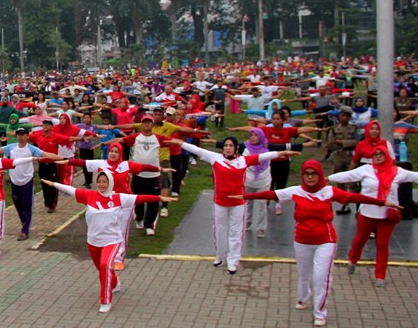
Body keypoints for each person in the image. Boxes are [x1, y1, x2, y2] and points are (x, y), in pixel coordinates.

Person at [232, 160, 397, 327]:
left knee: (321, 277)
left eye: (314, 174)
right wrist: (245, 196)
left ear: (319, 175)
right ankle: (303, 297)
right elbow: (271, 195)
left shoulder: (329, 191)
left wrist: (382, 202)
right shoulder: (296, 191)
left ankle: (320, 312)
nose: (310, 177)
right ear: (303, 175)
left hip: (326, 241)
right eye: (307, 174)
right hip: (302, 240)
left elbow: (353, 197)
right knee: (304, 274)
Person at [42, 171, 177, 313]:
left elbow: (140, 198)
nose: (101, 184)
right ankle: (114, 282)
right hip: (93, 241)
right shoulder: (90, 195)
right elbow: (71, 190)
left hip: (112, 240)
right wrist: (54, 184)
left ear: (110, 183)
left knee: (105, 264)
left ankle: (105, 301)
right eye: (99, 181)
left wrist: (159, 197)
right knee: (102, 269)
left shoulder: (119, 198)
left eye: (104, 182)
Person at [167, 137, 298, 274]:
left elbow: (262, 156)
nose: (228, 148)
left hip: (238, 203)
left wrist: (281, 153)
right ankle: (220, 256)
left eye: (230, 145)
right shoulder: (215, 158)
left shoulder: (243, 160)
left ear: (236, 148)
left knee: (236, 233)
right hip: (220, 202)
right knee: (219, 230)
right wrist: (180, 143)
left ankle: (233, 260)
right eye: (225, 145)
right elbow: (198, 150)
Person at [61, 142, 169, 270]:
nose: (113, 154)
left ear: (120, 154)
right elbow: (83, 162)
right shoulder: (101, 164)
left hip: (124, 202)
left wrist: (159, 169)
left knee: (121, 230)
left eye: (116, 152)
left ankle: (119, 258)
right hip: (107, 203)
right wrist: (67, 162)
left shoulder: (125, 165)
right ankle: (108, 253)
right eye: (112, 151)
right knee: (109, 229)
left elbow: (143, 167)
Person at [328, 145, 418, 287]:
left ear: (386, 156)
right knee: (360, 240)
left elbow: (415, 177)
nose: (377, 156)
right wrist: (328, 178)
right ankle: (353, 260)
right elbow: (347, 175)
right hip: (367, 213)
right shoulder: (366, 170)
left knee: (382, 245)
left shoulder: (397, 172)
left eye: (381, 154)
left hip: (388, 215)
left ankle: (380, 276)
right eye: (375, 154)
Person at [1, 128, 64, 240]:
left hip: (27, 181)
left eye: (22, 135)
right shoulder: (11, 147)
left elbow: (47, 154)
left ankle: (25, 231)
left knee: (26, 206)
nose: (20, 137)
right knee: (18, 205)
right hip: (14, 181)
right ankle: (24, 223)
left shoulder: (31, 149)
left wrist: (64, 158)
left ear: (27, 136)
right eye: (18, 135)